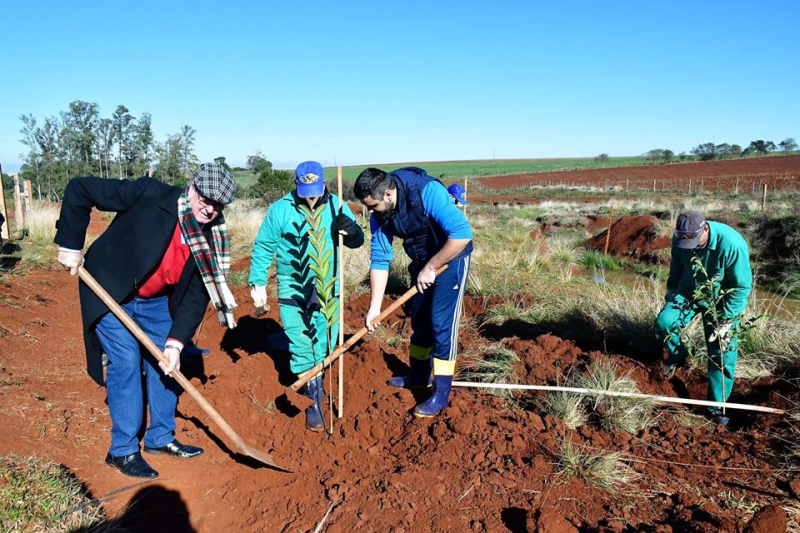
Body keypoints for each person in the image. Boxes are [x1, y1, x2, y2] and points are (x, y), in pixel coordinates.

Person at [55, 163, 238, 478]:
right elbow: (80, 188)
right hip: (111, 288)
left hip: (156, 302)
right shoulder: (149, 194)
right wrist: (70, 243)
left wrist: (176, 343)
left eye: (218, 205)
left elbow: (196, 295)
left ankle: (160, 438)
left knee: (167, 363)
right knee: (125, 362)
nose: (209, 210)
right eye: (205, 200)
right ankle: (122, 451)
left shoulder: (211, 239)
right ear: (191, 189)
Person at [249, 161, 364, 431]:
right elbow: (265, 245)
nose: (310, 197)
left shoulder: (337, 206)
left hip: (328, 285)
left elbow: (357, 241)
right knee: (301, 342)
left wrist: (353, 230)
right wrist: (258, 282)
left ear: (324, 183)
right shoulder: (281, 209)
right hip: (293, 285)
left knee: (326, 338)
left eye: (314, 190)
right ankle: (313, 398)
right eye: (304, 191)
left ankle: (318, 381)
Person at [354, 167, 473, 418]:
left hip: (450, 258)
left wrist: (432, 267)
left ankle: (440, 395)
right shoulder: (380, 213)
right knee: (419, 319)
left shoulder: (425, 191)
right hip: (421, 261)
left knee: (442, 324)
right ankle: (418, 376)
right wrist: (374, 307)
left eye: (373, 206)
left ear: (387, 194)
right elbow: (379, 259)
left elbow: (462, 235)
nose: (371, 213)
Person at [655, 210, 752, 427]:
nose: (688, 246)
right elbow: (677, 264)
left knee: (722, 351)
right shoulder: (681, 237)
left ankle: (717, 408)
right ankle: (677, 357)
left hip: (721, 301)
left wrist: (726, 319)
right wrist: (672, 288)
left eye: (694, 242)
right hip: (689, 290)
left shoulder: (732, 245)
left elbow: (741, 287)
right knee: (665, 322)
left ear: (704, 229)